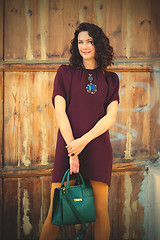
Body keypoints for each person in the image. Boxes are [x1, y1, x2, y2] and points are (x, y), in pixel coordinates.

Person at [40, 22, 119, 240]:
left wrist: (84, 141)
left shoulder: (111, 79)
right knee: (55, 213)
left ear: (98, 45)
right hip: (68, 147)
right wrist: (73, 150)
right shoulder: (65, 73)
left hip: (98, 149)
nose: (84, 46)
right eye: (80, 42)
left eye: (90, 42)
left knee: (101, 212)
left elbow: (110, 117)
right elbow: (60, 113)